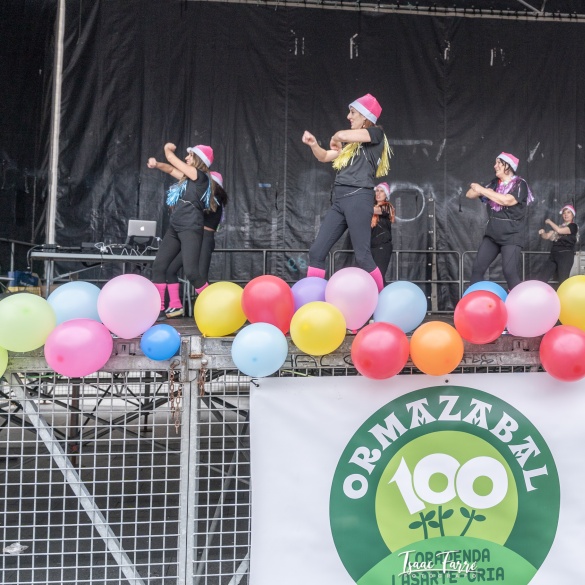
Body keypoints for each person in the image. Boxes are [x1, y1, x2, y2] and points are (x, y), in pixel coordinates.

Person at [302, 94, 392, 292]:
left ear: (365, 117)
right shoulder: (352, 145)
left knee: (363, 256)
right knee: (317, 252)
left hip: (358, 198)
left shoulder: (376, 134)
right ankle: (312, 297)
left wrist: (335, 137)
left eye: (352, 113)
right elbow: (325, 156)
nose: (348, 116)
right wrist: (314, 144)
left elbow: (341, 136)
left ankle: (380, 296)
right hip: (340, 201)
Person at [147, 143, 215, 317]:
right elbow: (170, 169)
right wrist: (157, 165)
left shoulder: (200, 176)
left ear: (198, 159)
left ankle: (215, 305)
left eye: (190, 155)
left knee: (192, 272)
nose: (186, 158)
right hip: (175, 226)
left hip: (190, 227)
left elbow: (171, 159)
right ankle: (159, 310)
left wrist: (167, 149)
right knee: (159, 266)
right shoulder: (189, 178)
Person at [163, 171, 228, 318]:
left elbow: (200, 209)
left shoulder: (215, 198)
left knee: (200, 276)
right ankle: (175, 305)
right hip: (194, 237)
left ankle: (213, 310)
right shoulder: (204, 195)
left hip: (204, 239)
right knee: (170, 269)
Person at [466, 152, 534, 291]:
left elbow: (506, 200)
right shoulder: (494, 183)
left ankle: (518, 301)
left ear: (507, 166)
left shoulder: (520, 184)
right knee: (477, 268)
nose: (495, 166)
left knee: (509, 272)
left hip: (511, 236)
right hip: (492, 235)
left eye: (498, 163)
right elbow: (469, 194)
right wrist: (481, 190)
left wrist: (482, 189)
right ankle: (474, 299)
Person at [538, 203, 578, 286]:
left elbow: (559, 231)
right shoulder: (558, 226)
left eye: (568, 212)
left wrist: (549, 222)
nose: (566, 215)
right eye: (564, 213)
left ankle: (563, 294)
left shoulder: (573, 226)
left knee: (563, 280)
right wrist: (542, 233)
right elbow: (547, 236)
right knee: (542, 278)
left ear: (572, 215)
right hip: (554, 255)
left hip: (565, 256)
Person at [371, 182, 395, 287]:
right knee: (369, 276)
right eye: (377, 191)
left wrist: (361, 206)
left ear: (386, 195)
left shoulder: (388, 207)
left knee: (378, 276)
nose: (378, 193)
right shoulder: (370, 209)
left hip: (382, 246)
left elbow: (375, 210)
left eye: (381, 191)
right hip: (370, 246)